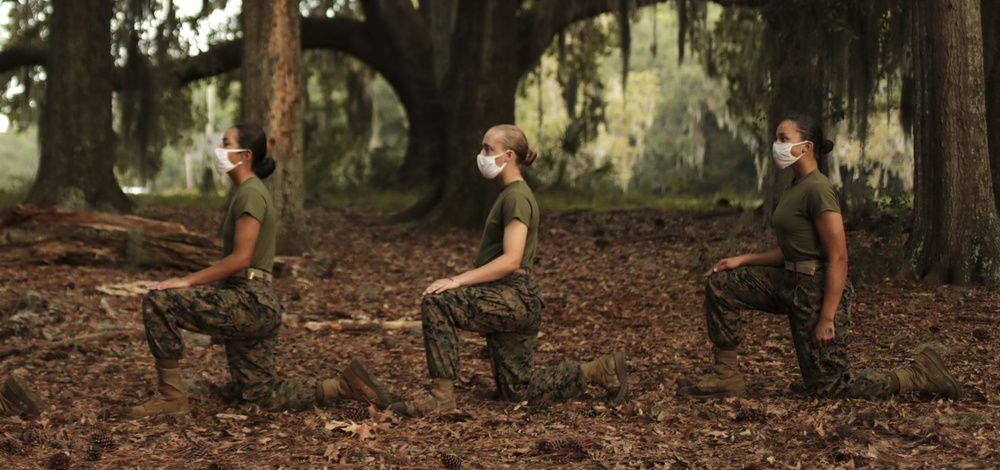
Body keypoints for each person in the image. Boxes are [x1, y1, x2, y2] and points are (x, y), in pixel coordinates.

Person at [677, 116, 961, 400]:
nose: (777, 145)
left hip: (814, 291)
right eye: (777, 139)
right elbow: (795, 250)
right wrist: (743, 259)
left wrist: (827, 317)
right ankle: (727, 376)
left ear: (806, 146)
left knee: (829, 386)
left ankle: (917, 375)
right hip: (789, 281)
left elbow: (838, 257)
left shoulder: (819, 188)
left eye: (784, 139)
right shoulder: (795, 186)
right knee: (722, 283)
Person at [128, 123, 393, 418]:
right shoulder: (247, 191)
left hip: (249, 301)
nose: (219, 149)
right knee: (260, 397)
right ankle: (343, 386)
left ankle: (171, 398)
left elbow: (241, 258)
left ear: (245, 155)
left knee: (159, 301)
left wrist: (186, 281)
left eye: (225, 143)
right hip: (256, 302)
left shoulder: (251, 193)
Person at [390, 124, 628, 417]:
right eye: (482, 148)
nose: (482, 155)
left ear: (509, 155)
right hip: (511, 298)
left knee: (437, 302)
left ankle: (441, 397)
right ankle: (599, 370)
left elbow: (511, 260)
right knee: (517, 391)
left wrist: (457, 280)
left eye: (488, 149)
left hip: (513, 296)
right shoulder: (510, 194)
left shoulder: (516, 196)